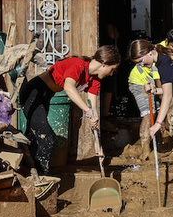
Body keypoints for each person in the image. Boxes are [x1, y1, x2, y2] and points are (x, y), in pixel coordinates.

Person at [19, 45, 120, 176]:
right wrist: (87, 111)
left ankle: (26, 172)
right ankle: (42, 178)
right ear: (104, 64)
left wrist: (97, 144)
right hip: (34, 93)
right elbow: (68, 88)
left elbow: (93, 111)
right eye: (112, 70)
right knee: (46, 139)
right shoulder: (78, 64)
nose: (111, 74)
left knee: (33, 136)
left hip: (46, 95)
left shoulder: (95, 80)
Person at [127, 49, 162, 160]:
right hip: (139, 82)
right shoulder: (155, 62)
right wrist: (163, 99)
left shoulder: (162, 58)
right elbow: (158, 82)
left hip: (151, 84)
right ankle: (145, 150)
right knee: (148, 114)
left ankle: (158, 145)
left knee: (158, 112)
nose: (141, 64)